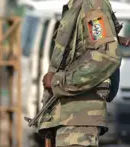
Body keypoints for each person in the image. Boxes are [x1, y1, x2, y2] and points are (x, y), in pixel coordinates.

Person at [38, 0, 122, 146]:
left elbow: (106, 56)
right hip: (67, 117)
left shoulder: (92, 5)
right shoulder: (77, 6)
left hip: (78, 120)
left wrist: (59, 81)